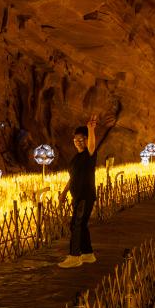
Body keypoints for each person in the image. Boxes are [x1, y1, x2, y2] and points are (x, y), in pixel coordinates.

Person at [57, 114, 100, 268]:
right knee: (81, 224)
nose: (78, 143)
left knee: (76, 224)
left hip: (85, 195)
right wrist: (63, 192)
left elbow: (92, 145)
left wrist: (90, 128)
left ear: (87, 140)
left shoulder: (89, 155)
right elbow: (72, 177)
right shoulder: (76, 159)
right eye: (75, 141)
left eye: (81, 140)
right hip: (78, 196)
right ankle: (88, 254)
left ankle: (74, 256)